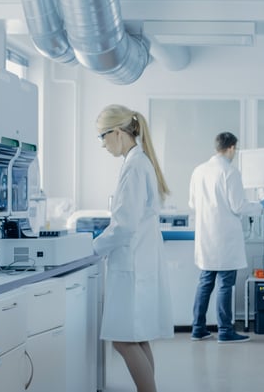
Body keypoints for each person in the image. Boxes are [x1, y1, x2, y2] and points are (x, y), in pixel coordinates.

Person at [93, 104, 174, 392]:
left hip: (133, 267)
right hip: (138, 263)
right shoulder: (138, 162)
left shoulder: (135, 166)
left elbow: (124, 225)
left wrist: (94, 248)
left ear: (117, 132)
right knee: (137, 339)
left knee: (124, 341)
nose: (102, 144)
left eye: (102, 136)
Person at [188, 132, 264, 343]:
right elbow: (239, 206)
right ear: (232, 148)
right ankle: (225, 331)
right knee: (225, 285)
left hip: (206, 238)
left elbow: (192, 204)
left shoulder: (198, 171)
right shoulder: (230, 172)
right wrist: (262, 206)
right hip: (224, 239)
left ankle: (198, 329)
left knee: (205, 282)